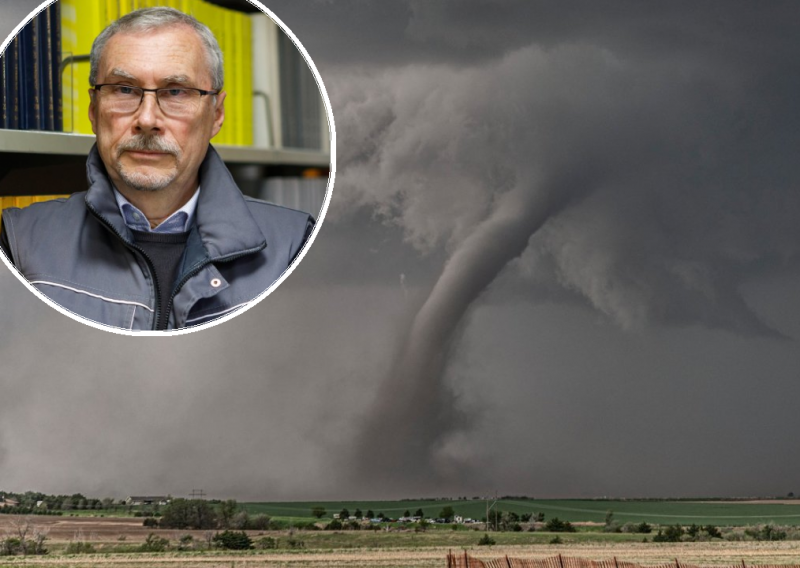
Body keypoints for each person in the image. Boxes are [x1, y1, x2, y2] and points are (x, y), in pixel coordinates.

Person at [0, 7, 314, 331]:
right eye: (124, 89)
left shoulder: (294, 246)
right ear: (94, 110)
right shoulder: (18, 242)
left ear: (217, 114)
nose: (147, 120)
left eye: (175, 91)